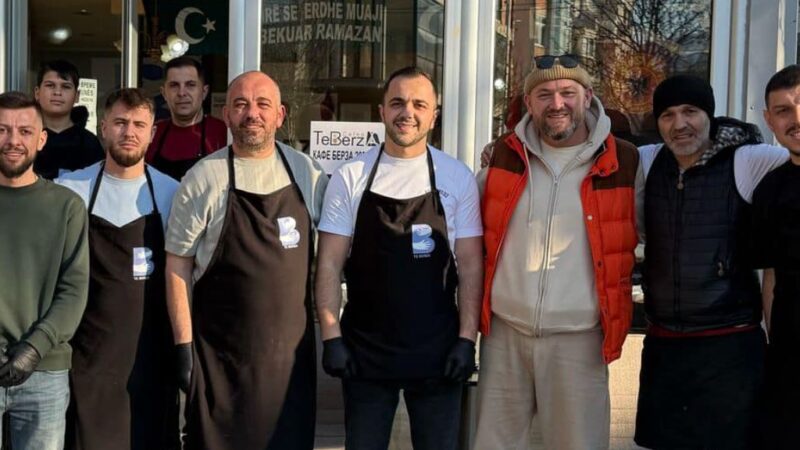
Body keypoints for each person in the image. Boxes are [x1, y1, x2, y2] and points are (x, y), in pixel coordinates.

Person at [473, 55, 642, 450]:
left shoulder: (625, 161)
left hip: (579, 340)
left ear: (588, 97)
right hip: (504, 334)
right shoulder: (503, 155)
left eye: (568, 92)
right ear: (529, 104)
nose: (557, 103)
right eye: (544, 94)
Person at [315, 66, 483, 450]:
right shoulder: (351, 175)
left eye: (419, 104)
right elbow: (328, 262)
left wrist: (466, 340)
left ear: (434, 115)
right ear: (382, 112)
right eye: (397, 103)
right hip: (364, 350)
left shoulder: (456, 177)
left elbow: (471, 265)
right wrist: (331, 336)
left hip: (439, 349)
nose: (407, 112)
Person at [165, 71, 328, 450]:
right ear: (226, 114)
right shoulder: (205, 177)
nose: (251, 113)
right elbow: (177, 265)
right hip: (220, 365)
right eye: (240, 104)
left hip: (289, 366)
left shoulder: (307, 173)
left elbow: (332, 255)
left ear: (280, 115)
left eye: (262, 104)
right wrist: (183, 345)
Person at [634, 75, 788, 449]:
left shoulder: (749, 160)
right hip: (664, 345)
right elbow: (589, 152)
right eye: (668, 115)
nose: (680, 124)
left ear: (710, 115)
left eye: (691, 111)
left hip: (730, 345)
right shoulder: (648, 160)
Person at [57, 88, 180, 450]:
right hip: (87, 355)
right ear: (103, 128)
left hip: (153, 354)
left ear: (152, 133)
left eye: (139, 124)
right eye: (121, 123)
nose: (130, 132)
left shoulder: (172, 192)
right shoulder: (71, 190)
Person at [0, 91, 89, 449]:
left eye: (24, 131)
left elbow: (74, 288)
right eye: (3, 130)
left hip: (44, 371)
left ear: (41, 139)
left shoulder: (66, 206)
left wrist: (34, 349)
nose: (13, 141)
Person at [752, 64, 800, 449]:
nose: (796, 118)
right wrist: (773, 340)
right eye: (783, 110)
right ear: (769, 121)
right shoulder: (770, 189)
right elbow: (771, 275)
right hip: (790, 356)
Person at [145, 57, 227, 180]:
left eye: (190, 85)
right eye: (174, 85)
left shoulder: (223, 132)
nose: (182, 93)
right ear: (164, 93)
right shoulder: (151, 134)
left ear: (204, 92)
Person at [33, 60, 105, 179]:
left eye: (66, 86)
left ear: (77, 96)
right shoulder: (24, 137)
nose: (57, 92)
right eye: (50, 85)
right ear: (37, 93)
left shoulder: (89, 144)